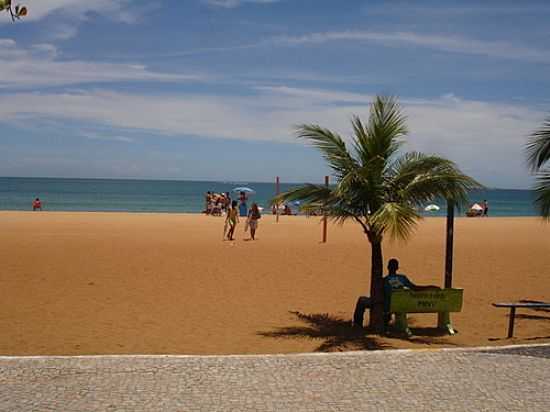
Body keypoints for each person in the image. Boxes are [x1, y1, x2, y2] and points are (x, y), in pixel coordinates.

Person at [383, 258, 440, 327]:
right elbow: (415, 288)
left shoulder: (384, 280)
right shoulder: (402, 278)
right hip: (403, 305)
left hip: (388, 306)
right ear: (397, 268)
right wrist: (430, 287)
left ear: (388, 267)